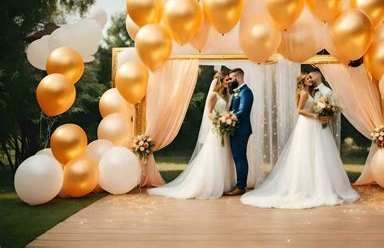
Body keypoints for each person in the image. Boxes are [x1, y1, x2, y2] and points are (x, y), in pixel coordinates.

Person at [240, 72, 359, 209]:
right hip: (307, 124)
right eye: (307, 78)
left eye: (310, 77)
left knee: (318, 152)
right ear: (303, 81)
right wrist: (316, 116)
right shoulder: (303, 93)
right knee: (306, 152)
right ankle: (306, 187)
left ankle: (318, 185)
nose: (309, 79)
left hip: (314, 124)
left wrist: (324, 114)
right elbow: (300, 110)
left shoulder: (312, 93)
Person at [147, 71, 235, 200]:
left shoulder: (226, 95)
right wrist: (219, 120)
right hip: (216, 129)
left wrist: (227, 119)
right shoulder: (213, 95)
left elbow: (226, 110)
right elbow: (209, 113)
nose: (229, 82)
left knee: (224, 155)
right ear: (220, 81)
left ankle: (223, 184)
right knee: (214, 156)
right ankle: (208, 184)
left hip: (224, 131)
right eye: (227, 80)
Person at [224, 68, 254, 196]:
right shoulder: (238, 92)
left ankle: (241, 186)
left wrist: (227, 118)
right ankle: (241, 184)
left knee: (240, 157)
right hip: (236, 129)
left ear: (238, 78)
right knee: (238, 157)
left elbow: (242, 111)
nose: (229, 81)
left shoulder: (246, 92)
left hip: (241, 130)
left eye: (231, 78)